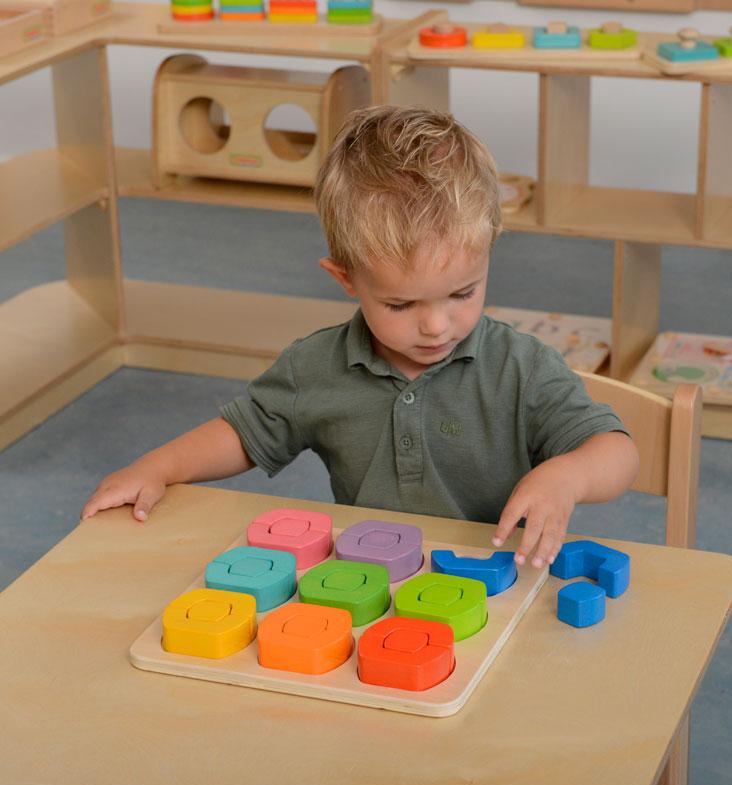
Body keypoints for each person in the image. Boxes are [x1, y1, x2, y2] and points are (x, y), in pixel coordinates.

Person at [82, 105, 638, 569]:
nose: (436, 325)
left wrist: (567, 475)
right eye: (400, 303)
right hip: (373, 580)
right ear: (345, 278)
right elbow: (243, 433)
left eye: (462, 293)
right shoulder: (315, 366)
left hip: (499, 581)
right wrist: (156, 467)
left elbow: (616, 452)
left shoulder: (521, 367)